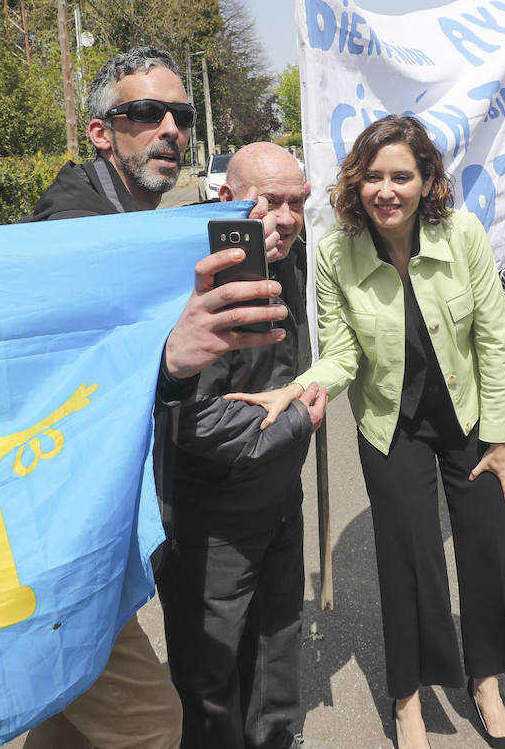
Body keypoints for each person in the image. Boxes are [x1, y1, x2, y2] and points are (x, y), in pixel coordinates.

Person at [10, 48, 303, 749]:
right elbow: (97, 384)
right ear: (101, 133)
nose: (168, 128)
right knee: (155, 724)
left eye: (181, 115)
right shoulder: (78, 227)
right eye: (145, 113)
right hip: (64, 530)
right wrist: (276, 405)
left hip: (112, 519)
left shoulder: (150, 225)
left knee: (67, 718)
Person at [233, 116, 505, 749]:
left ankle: (484, 680)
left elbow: (493, 337)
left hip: (468, 419)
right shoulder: (334, 253)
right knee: (407, 559)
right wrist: (300, 386)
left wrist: (499, 438)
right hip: (391, 424)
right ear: (356, 183)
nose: (387, 191)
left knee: (488, 543)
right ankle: (408, 699)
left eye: (401, 176)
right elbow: (344, 354)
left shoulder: (461, 234)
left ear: (426, 180)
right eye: (373, 176)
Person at [156, 141, 328, 749]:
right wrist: (298, 421)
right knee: (210, 676)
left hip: (281, 499)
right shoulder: (196, 282)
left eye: (298, 204)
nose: (286, 219)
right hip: (212, 524)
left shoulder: (292, 259)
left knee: (279, 640)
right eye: (271, 203)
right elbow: (190, 419)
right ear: (226, 200)